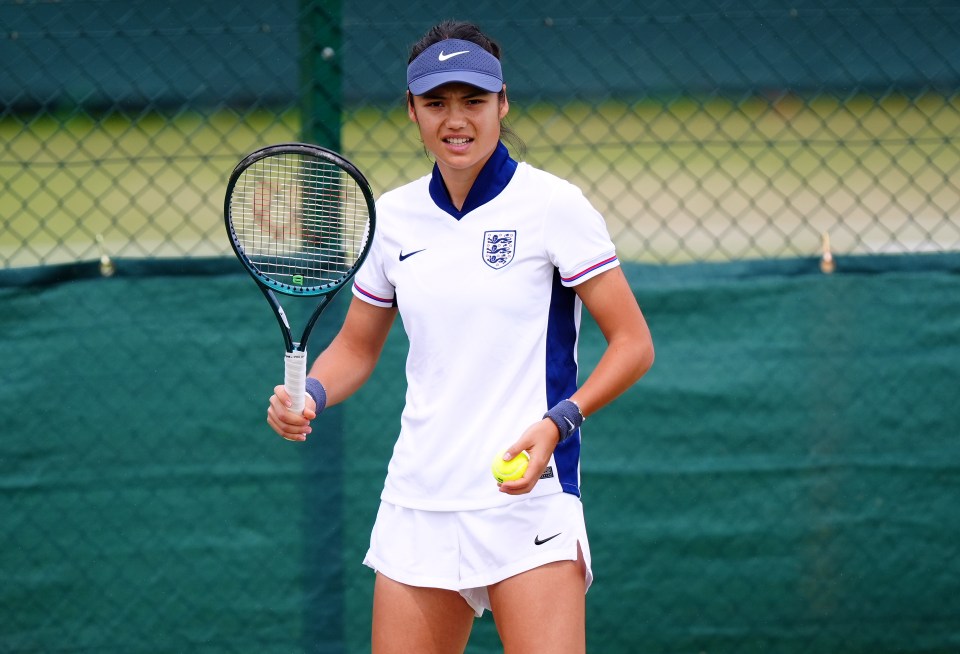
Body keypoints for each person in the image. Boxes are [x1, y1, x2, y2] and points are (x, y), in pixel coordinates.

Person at [267, 19, 654, 654]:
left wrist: (559, 422)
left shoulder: (554, 206)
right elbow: (357, 348)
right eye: (436, 102)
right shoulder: (392, 217)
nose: (457, 119)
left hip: (528, 498)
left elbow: (634, 344)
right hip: (419, 501)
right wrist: (310, 393)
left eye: (474, 100)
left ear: (502, 103)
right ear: (413, 112)